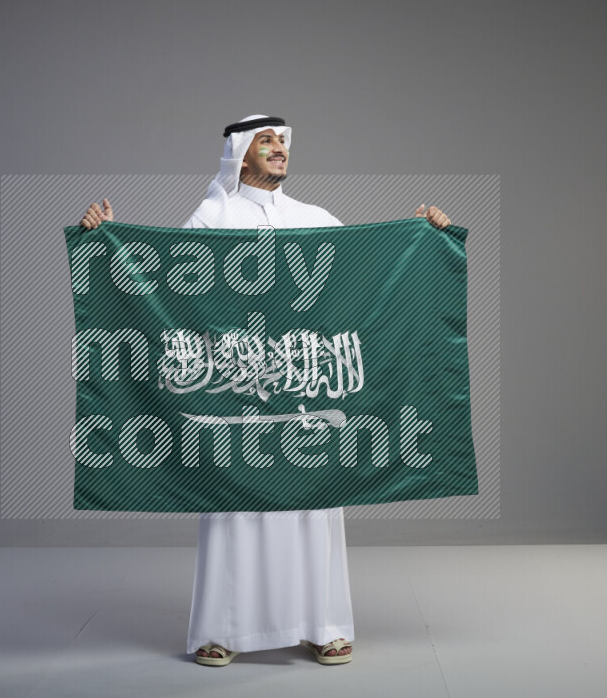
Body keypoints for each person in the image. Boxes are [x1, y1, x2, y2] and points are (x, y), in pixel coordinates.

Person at [78, 115, 451, 667]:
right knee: (234, 506)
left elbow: (367, 276)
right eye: (266, 142)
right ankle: (220, 631)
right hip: (237, 388)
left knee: (313, 503)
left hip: (303, 386)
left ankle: (322, 625)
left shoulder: (313, 217)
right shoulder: (213, 217)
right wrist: (103, 240)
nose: (279, 150)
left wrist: (424, 236)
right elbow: (165, 289)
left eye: (282, 142)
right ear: (241, 156)